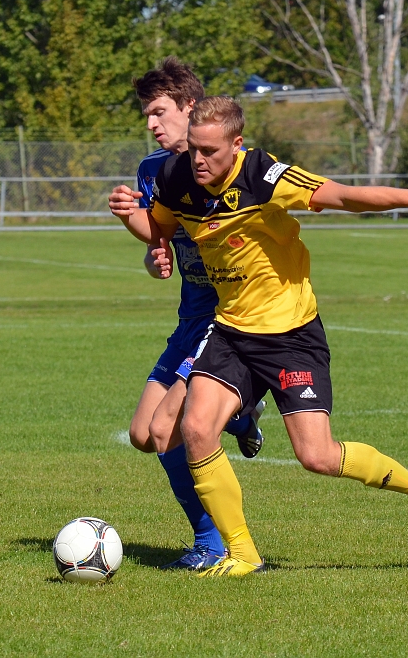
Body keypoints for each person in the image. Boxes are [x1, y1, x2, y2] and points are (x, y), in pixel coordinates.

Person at [111, 95, 408, 577]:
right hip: (231, 330)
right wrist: (138, 228)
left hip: (289, 335)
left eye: (210, 152)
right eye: (194, 149)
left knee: (317, 457)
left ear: (236, 145)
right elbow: (159, 225)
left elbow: (343, 195)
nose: (198, 160)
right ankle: (241, 554)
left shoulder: (266, 176)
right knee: (195, 430)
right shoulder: (177, 177)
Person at [111, 58, 265, 570]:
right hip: (190, 316)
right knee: (142, 435)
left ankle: (213, 542)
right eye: (147, 115)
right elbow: (161, 240)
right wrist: (146, 241)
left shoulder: (227, 164)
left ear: (189, 107)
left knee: (165, 430)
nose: (152, 124)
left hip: (229, 317)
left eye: (159, 112)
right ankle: (242, 413)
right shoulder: (152, 170)